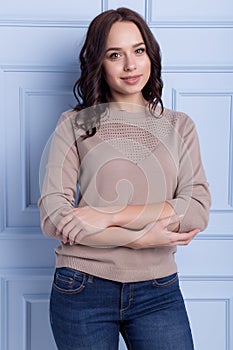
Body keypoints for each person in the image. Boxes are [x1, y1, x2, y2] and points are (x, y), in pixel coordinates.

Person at [38, 7, 211, 350]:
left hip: (158, 289)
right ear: (98, 63)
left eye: (139, 50)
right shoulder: (74, 124)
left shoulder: (179, 126)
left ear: (151, 55)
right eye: (115, 55)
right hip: (81, 286)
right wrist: (138, 240)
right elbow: (53, 217)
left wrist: (109, 214)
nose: (130, 65)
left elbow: (196, 210)